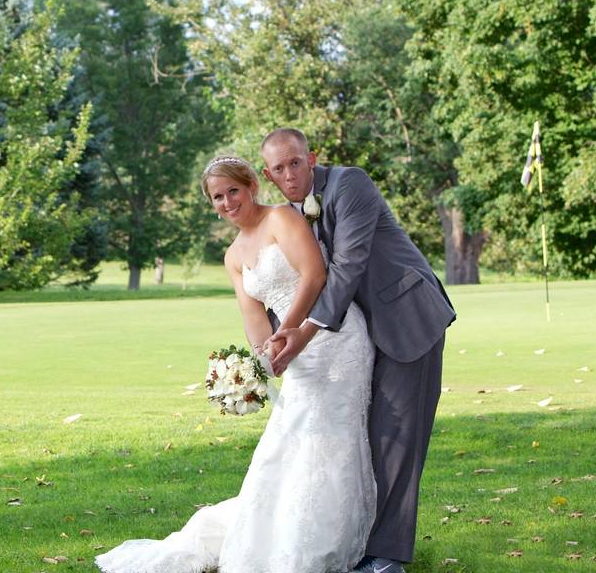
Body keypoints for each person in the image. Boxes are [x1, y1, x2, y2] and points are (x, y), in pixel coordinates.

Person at [95, 155, 378, 573]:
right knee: (291, 442)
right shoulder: (232, 256)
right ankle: (278, 533)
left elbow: (315, 275)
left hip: (333, 338)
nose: (227, 202)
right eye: (217, 197)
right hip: (291, 349)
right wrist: (262, 360)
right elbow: (253, 316)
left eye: (233, 191)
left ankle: (326, 541)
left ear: (251, 187)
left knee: (331, 438)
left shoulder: (282, 219)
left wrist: (293, 332)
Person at [261, 128, 456, 573]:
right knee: (363, 440)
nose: (290, 174)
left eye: (295, 162)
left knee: (397, 441)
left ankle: (387, 558)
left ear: (312, 157)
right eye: (279, 169)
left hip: (407, 318)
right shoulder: (285, 217)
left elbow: (348, 264)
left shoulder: (350, 182)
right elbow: (298, 280)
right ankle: (359, 544)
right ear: (269, 176)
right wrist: (274, 341)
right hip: (356, 337)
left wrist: (303, 335)